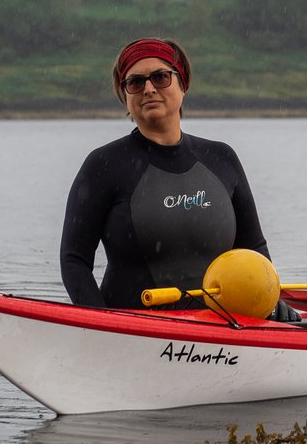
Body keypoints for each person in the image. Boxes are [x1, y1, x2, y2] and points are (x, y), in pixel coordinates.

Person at [60, 37, 271, 309]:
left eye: (160, 77)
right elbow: (74, 260)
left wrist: (270, 302)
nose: (148, 89)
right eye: (135, 82)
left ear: (183, 85)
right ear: (125, 95)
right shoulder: (103, 164)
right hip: (131, 331)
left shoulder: (221, 158)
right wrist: (99, 325)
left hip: (220, 329)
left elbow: (254, 249)